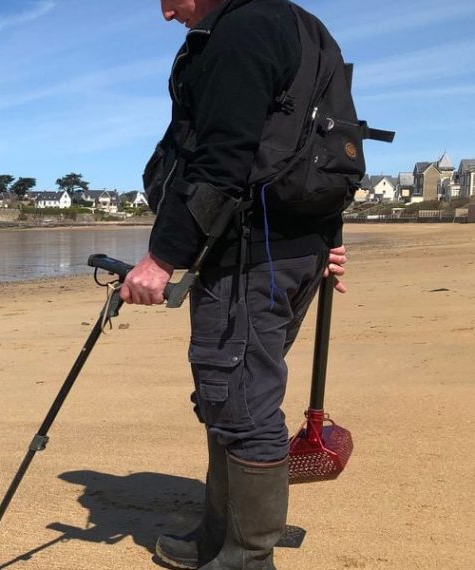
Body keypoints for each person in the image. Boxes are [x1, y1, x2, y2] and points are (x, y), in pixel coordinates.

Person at [120, 0, 349, 568]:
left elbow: (222, 160)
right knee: (234, 399)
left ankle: (246, 557)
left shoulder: (242, 30)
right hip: (292, 254)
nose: (166, 13)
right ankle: (218, 537)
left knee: (242, 406)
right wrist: (326, 239)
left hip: (251, 257)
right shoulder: (302, 25)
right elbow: (327, 145)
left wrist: (161, 259)